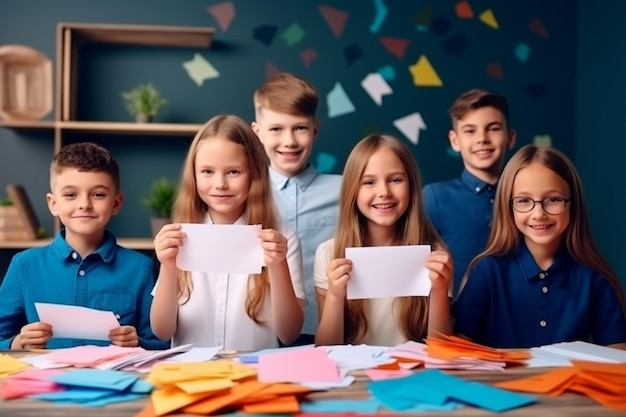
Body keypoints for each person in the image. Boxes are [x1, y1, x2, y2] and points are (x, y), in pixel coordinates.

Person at [150, 115, 306, 351]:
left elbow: (289, 334)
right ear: (193, 175)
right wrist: (169, 266)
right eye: (207, 172)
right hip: (192, 378)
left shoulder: (281, 240)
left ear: (254, 174)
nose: (220, 183)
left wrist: (277, 265)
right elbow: (162, 331)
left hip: (255, 377)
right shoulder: (179, 237)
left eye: (233, 172)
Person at [452, 145, 626, 349]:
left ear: (573, 204)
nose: (539, 214)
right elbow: (459, 347)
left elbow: (618, 355)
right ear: (509, 207)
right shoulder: (488, 270)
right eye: (524, 201)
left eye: (553, 200)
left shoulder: (595, 278)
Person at [0, 142, 167, 350]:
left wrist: (138, 342)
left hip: (113, 380)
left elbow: (162, 341)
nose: (84, 204)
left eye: (98, 194)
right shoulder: (24, 265)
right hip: (46, 381)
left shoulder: (141, 268)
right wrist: (16, 343)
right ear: (53, 204)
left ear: (116, 203)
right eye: (71, 195)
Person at [314, 134, 453, 346]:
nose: (384, 192)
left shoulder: (434, 254)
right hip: (356, 375)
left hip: (414, 374)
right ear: (353, 190)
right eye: (369, 182)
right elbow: (326, 348)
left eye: (395, 180)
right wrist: (334, 295)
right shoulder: (329, 254)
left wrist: (440, 290)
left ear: (411, 185)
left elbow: (440, 346)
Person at [252, 73, 342, 345]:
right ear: (257, 132)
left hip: (328, 328)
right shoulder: (242, 194)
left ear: (315, 129)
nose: (289, 141)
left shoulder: (346, 190)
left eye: (299, 128)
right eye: (276, 129)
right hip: (261, 329)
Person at [422, 89, 516, 295]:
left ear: (510, 138)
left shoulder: (526, 199)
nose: (482, 138)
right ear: (455, 140)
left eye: (493, 128)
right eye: (470, 131)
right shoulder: (435, 197)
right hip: (455, 319)